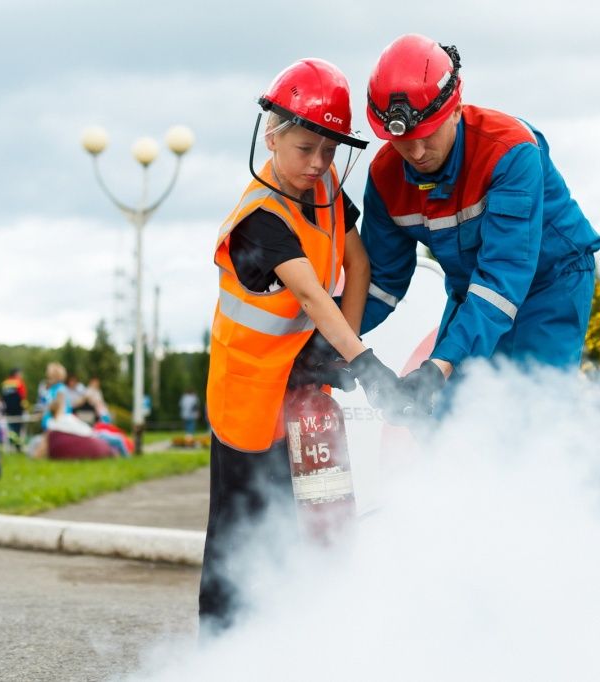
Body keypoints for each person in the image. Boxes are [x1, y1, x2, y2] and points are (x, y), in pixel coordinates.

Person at [201, 57, 406, 635]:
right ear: (272, 136)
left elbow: (359, 265)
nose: (318, 163)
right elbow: (313, 296)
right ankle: (218, 656)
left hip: (296, 385)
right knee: (240, 539)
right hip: (248, 397)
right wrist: (365, 364)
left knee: (305, 526)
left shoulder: (326, 188)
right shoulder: (259, 218)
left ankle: (290, 648)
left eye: (329, 150)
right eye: (305, 148)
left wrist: (341, 349)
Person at [359, 34, 600, 415]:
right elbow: (381, 283)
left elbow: (503, 276)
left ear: (456, 109)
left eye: (427, 135)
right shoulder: (384, 177)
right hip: (472, 288)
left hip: (549, 283)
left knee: (531, 419)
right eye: (403, 140)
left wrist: (437, 369)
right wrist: (327, 344)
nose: (417, 153)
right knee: (445, 419)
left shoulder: (510, 152)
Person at [0, 368, 28, 436]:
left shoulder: (5, 383)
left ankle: (12, 439)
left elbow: (3, 397)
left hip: (8, 409)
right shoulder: (19, 382)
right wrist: (26, 407)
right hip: (18, 409)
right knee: (18, 428)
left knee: (10, 427)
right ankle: (17, 440)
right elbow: (23, 396)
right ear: (16, 374)